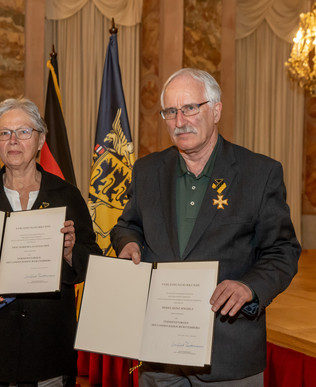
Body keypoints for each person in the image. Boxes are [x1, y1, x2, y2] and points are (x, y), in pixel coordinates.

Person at [110, 68, 301, 385]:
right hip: (159, 357)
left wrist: (249, 286)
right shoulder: (147, 170)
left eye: (189, 108)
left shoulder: (260, 173)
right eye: (170, 111)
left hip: (227, 355)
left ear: (216, 110)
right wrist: (128, 243)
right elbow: (127, 225)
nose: (179, 121)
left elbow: (283, 251)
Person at [0, 98, 101, 386]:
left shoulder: (66, 196)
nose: (13, 141)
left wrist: (70, 253)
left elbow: (91, 258)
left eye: (23, 131)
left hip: (47, 344)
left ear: (41, 139)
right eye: (4, 133)